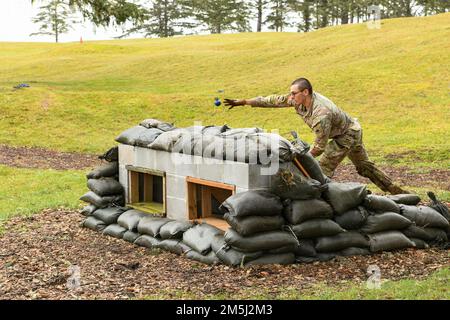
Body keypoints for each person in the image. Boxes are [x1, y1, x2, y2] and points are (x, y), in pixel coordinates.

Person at [224, 77, 407, 195]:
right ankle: (396, 191)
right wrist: (245, 102)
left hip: (347, 134)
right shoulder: (296, 100)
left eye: (294, 93)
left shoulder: (321, 114)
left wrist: (298, 160)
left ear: (306, 92)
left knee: (322, 169)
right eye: (291, 93)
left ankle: (321, 203)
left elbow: (319, 147)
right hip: (348, 129)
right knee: (364, 167)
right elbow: (272, 100)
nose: (290, 96)